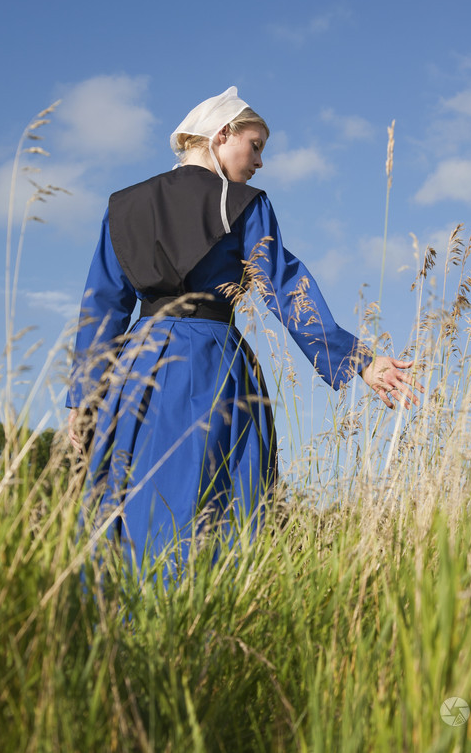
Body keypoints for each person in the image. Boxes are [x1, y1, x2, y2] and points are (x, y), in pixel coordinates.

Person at [67, 86, 422, 574]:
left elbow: (102, 305)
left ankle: (124, 631)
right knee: (219, 502)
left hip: (135, 372)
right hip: (212, 366)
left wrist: (84, 398)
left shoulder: (124, 205)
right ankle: (205, 623)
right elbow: (284, 286)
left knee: (132, 499)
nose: (258, 162)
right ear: (222, 133)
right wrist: (359, 360)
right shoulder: (246, 204)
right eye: (254, 146)